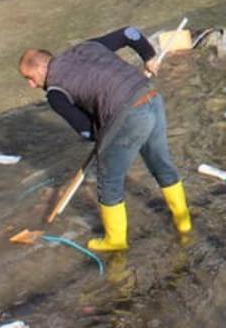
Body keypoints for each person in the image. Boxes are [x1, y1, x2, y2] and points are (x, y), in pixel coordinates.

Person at [18, 27, 191, 252]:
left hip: (127, 114)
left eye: (29, 78)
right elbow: (130, 33)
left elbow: (86, 132)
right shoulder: (87, 47)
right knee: (161, 163)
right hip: (151, 96)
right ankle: (184, 222)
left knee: (109, 181)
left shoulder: (55, 92)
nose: (31, 85)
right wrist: (148, 57)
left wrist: (104, 136)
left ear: (42, 68)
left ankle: (115, 241)